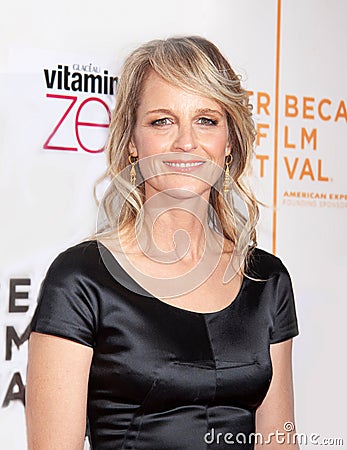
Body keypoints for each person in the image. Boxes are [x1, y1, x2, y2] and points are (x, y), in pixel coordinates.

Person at [25, 36, 299, 449]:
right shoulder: (81, 281)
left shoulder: (266, 279)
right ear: (132, 143)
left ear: (229, 144)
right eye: (162, 121)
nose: (186, 142)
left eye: (206, 120)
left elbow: (279, 442)